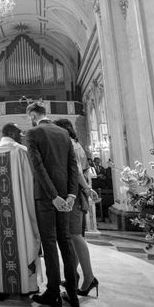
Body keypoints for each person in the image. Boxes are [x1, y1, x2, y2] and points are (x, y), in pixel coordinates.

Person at [24, 102, 79, 307]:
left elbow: (37, 167)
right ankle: (72, 294)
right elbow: (72, 166)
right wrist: (71, 194)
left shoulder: (32, 133)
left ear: (32, 115)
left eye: (29, 116)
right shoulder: (64, 133)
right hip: (66, 197)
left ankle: (53, 293)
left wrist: (53, 196)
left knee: (49, 243)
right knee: (65, 241)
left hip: (47, 198)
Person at [0, 123, 40, 301]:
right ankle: (25, 287)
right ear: (12, 133)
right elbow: (30, 183)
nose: (21, 135)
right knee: (22, 239)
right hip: (19, 211)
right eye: (19, 132)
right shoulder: (21, 151)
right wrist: (31, 209)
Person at [54, 118, 101, 297]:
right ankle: (72, 276)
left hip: (74, 193)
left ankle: (89, 278)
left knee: (75, 235)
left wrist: (88, 190)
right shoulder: (77, 144)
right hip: (77, 192)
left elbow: (78, 171)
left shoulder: (70, 145)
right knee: (73, 237)